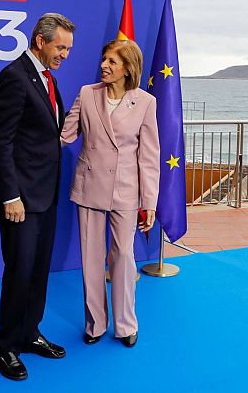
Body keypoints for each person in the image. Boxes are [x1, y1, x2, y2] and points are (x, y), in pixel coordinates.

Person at [0, 13, 74, 381]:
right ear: (40, 40)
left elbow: (50, 133)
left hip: (46, 195)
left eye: (68, 48)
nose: (65, 54)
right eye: (60, 47)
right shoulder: (13, 77)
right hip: (20, 199)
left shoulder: (47, 80)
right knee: (19, 272)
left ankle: (29, 333)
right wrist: (10, 196)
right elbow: (0, 141)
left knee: (39, 271)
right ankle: (5, 347)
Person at [61, 39, 159, 348]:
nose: (104, 65)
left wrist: (150, 202)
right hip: (89, 185)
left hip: (126, 189)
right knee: (91, 259)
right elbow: (65, 134)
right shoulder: (87, 94)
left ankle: (126, 324)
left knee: (124, 256)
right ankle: (95, 324)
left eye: (112, 61)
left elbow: (149, 156)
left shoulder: (145, 102)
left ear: (128, 69)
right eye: (104, 59)